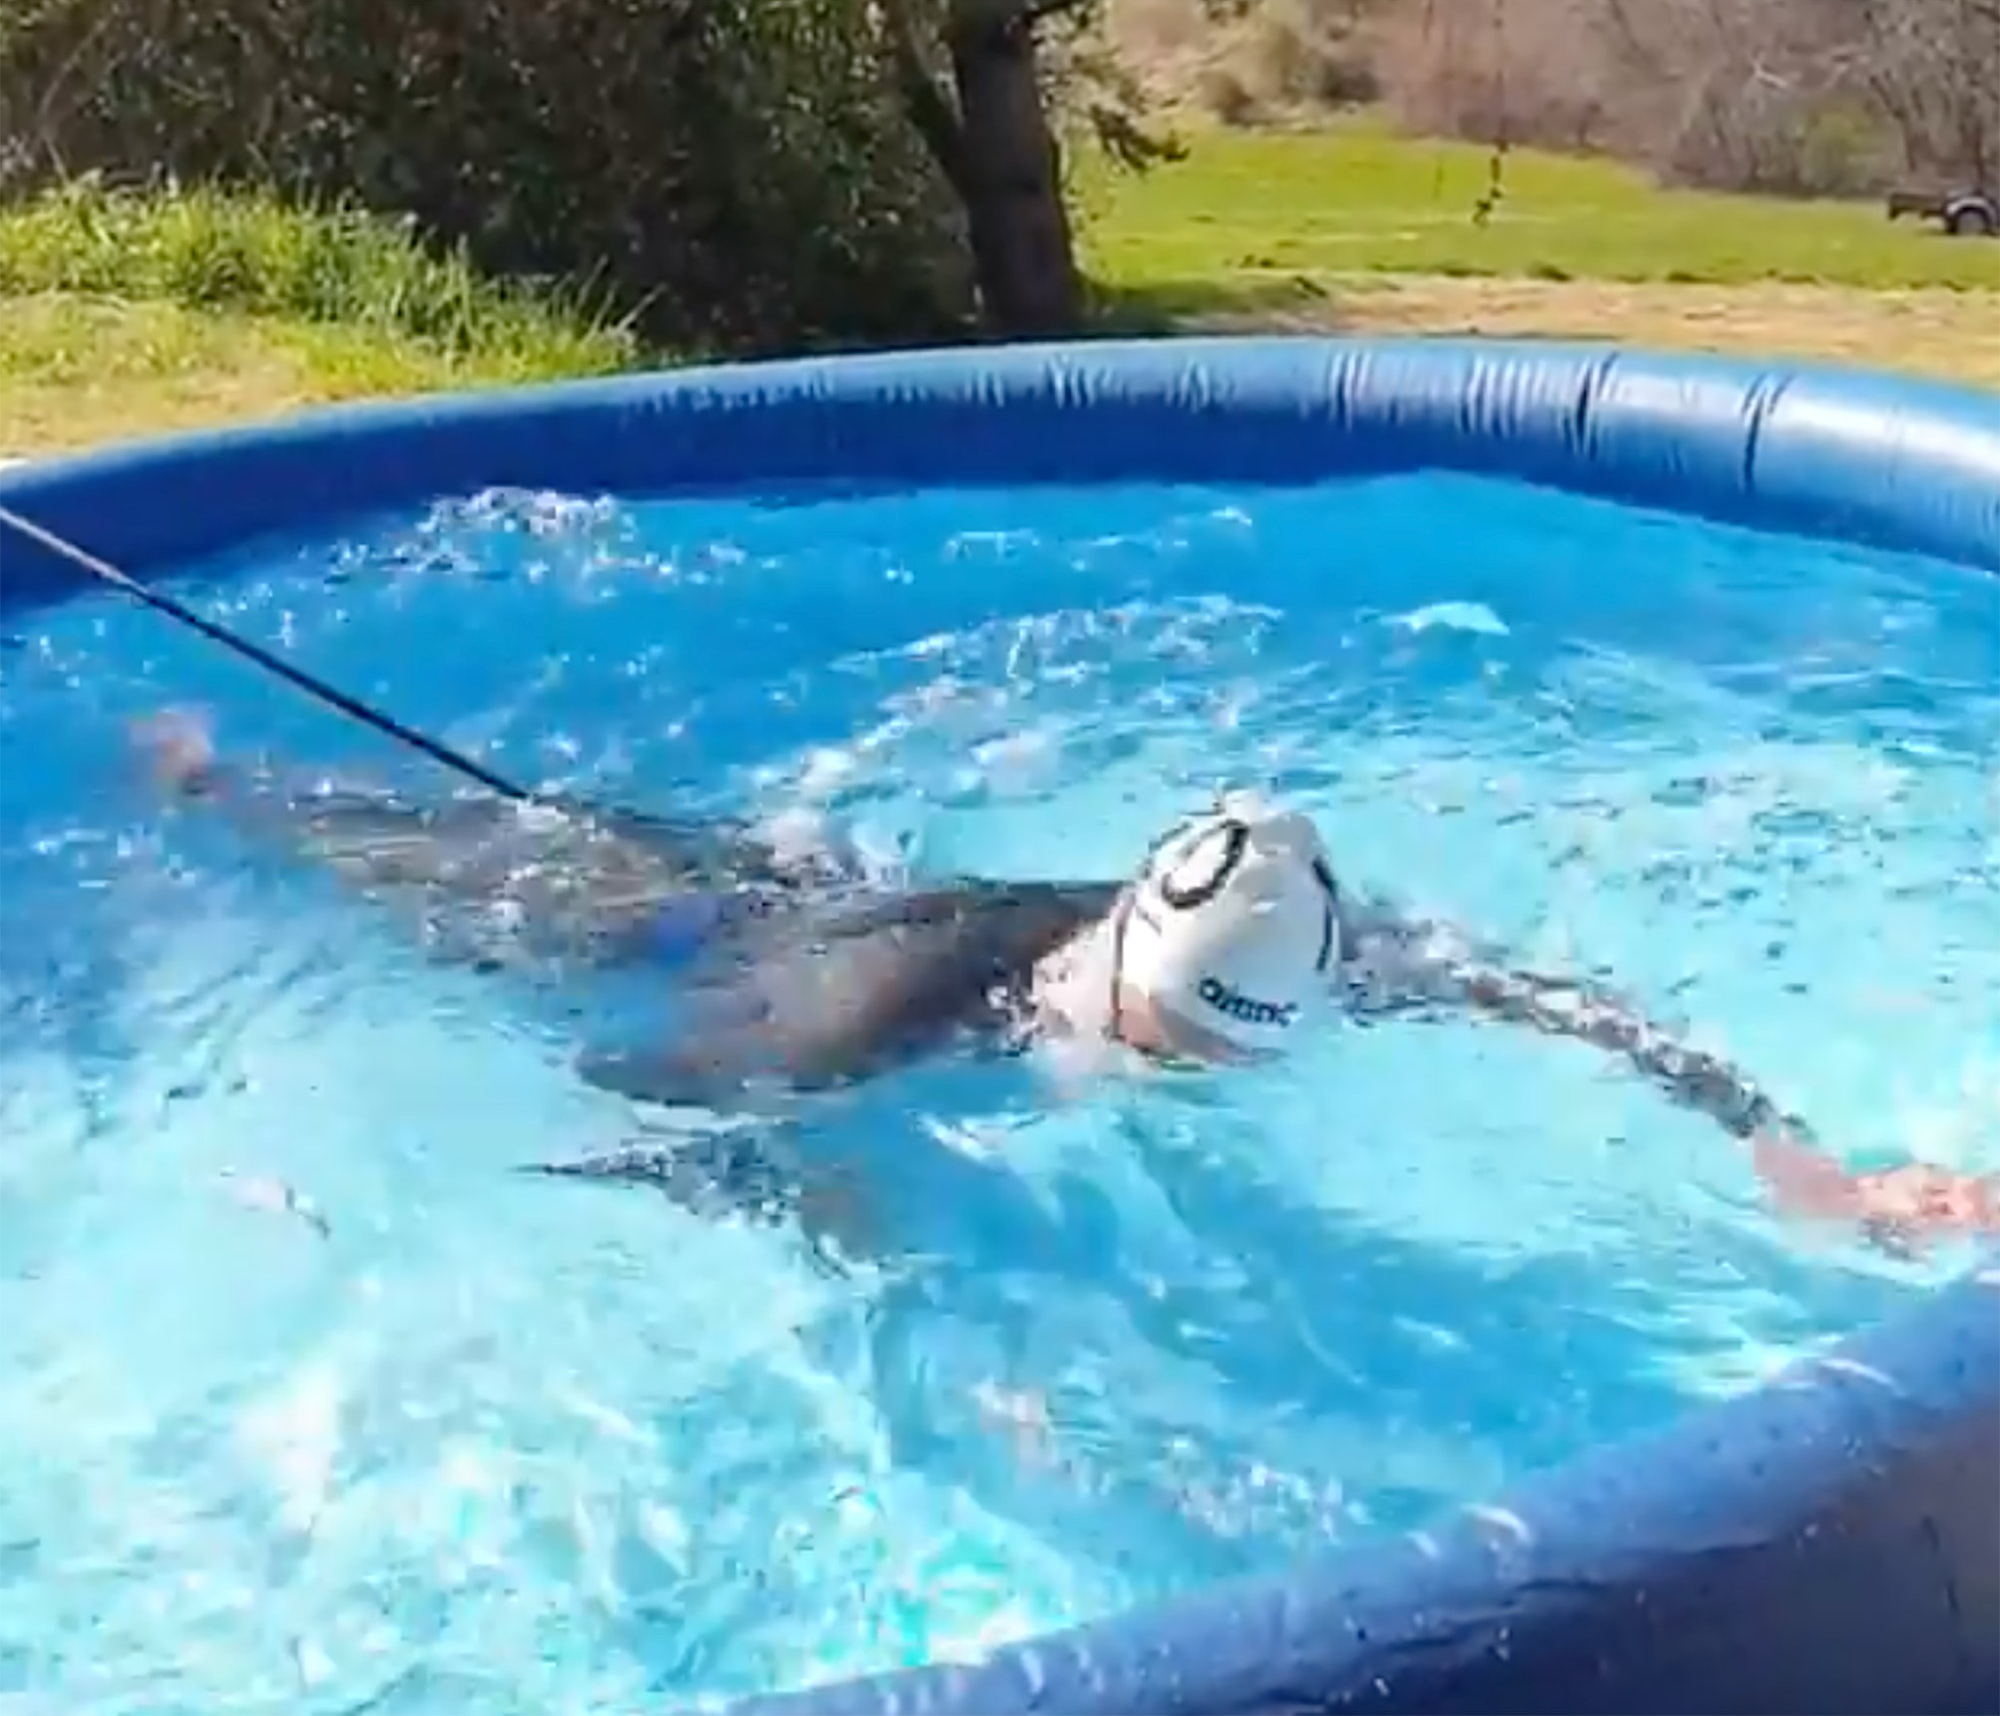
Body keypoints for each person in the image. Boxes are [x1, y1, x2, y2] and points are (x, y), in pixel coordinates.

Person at [133, 709, 1906, 1243]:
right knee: (428, 867)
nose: (1179, 1076)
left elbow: (1557, 1000)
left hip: (836, 898)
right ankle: (209, 775)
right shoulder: (881, 1022)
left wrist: (1790, 1151)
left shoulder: (1304, 949)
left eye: (1222, 1061)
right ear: (1122, 958)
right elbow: (631, 1098)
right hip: (707, 943)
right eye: (1166, 1043)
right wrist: (819, 1202)